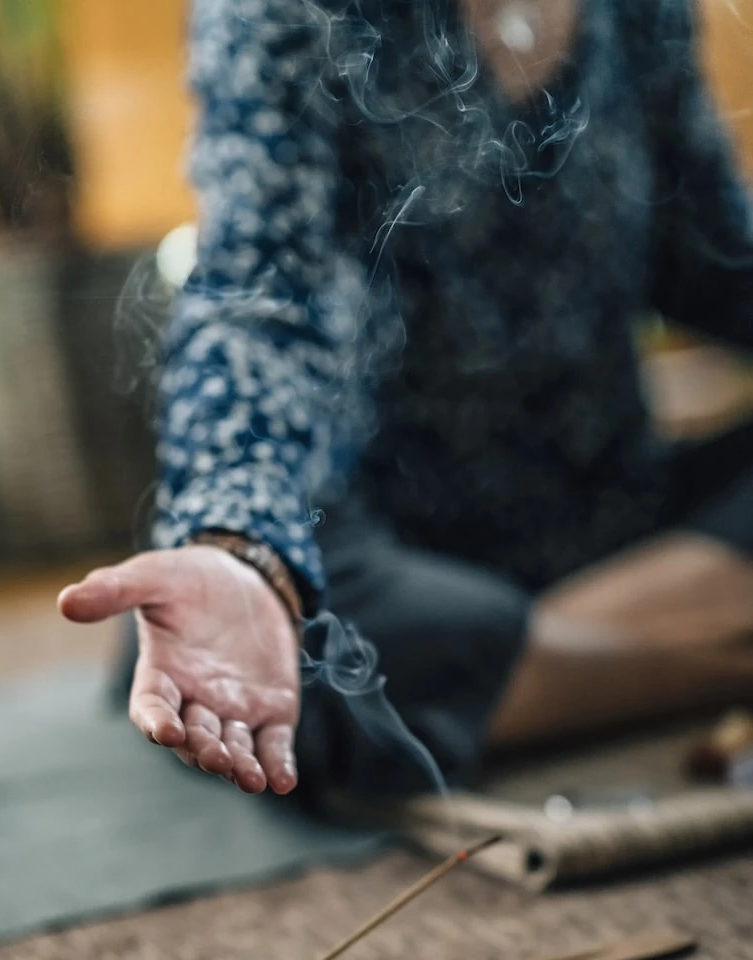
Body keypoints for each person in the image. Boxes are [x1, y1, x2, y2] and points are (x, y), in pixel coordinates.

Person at [59, 0, 753, 807]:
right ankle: (695, 653)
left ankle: (520, 665)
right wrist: (243, 548)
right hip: (386, 557)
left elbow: (716, 259)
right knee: (292, 640)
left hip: (611, 511)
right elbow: (264, 294)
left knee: (359, 681)